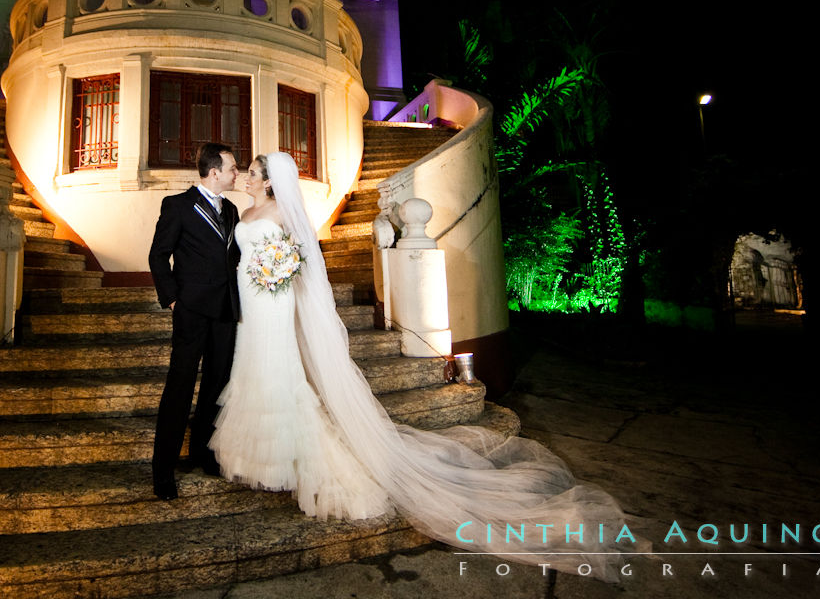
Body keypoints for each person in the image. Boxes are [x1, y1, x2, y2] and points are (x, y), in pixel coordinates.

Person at [210, 153, 642, 580]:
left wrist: (280, 271)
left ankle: (288, 455)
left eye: (250, 173)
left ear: (268, 181)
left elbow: (303, 258)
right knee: (251, 365)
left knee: (278, 367)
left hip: (274, 300)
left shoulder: (284, 211)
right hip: (249, 302)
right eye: (244, 172)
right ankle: (260, 457)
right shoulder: (243, 212)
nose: (244, 177)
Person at [148, 142, 241, 501]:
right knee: (180, 387)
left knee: (216, 387)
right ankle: (163, 469)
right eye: (232, 168)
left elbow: (233, 256)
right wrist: (172, 300)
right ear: (214, 172)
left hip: (225, 313)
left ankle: (202, 452)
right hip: (191, 311)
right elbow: (158, 256)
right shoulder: (178, 206)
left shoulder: (232, 210)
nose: (237, 173)